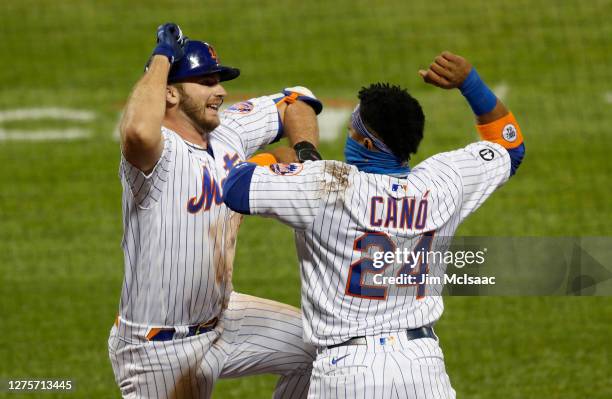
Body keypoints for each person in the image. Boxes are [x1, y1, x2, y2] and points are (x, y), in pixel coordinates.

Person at [223, 51, 525, 398]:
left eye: (352, 129)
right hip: (422, 366)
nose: (348, 134)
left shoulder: (327, 184)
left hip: (349, 373)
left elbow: (233, 185)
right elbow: (510, 147)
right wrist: (470, 83)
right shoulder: (445, 182)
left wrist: (287, 157)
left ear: (366, 143)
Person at [108, 23, 323, 398]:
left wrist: (305, 159)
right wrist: (161, 57)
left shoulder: (229, 131)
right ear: (170, 93)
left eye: (219, 81)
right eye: (206, 82)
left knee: (317, 348)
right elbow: (138, 133)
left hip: (226, 319)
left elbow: (297, 101)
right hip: (159, 349)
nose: (220, 91)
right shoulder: (158, 157)